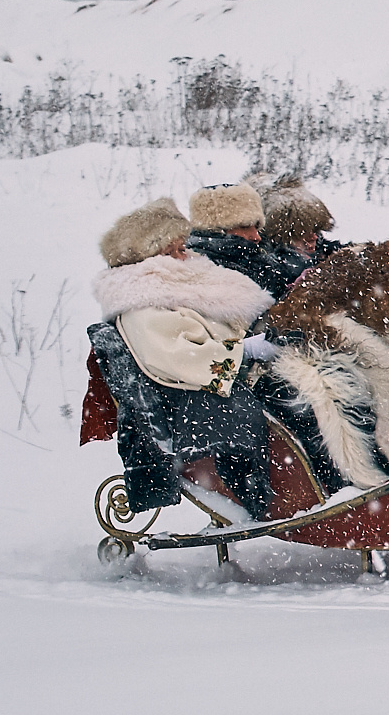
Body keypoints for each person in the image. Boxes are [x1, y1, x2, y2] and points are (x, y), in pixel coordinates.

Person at [88, 195, 280, 519]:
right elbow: (179, 357)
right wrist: (247, 351)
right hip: (198, 403)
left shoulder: (177, 288)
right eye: (176, 250)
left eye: (182, 246)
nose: (186, 255)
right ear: (152, 256)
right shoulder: (142, 305)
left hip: (232, 383)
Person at [186, 182, 304, 295]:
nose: (257, 237)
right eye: (245, 226)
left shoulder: (258, 259)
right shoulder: (202, 271)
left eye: (256, 228)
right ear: (215, 230)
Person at [261, 177, 349, 264]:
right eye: (303, 232)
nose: (314, 237)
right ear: (284, 238)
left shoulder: (321, 250)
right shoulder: (273, 269)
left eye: (315, 230)